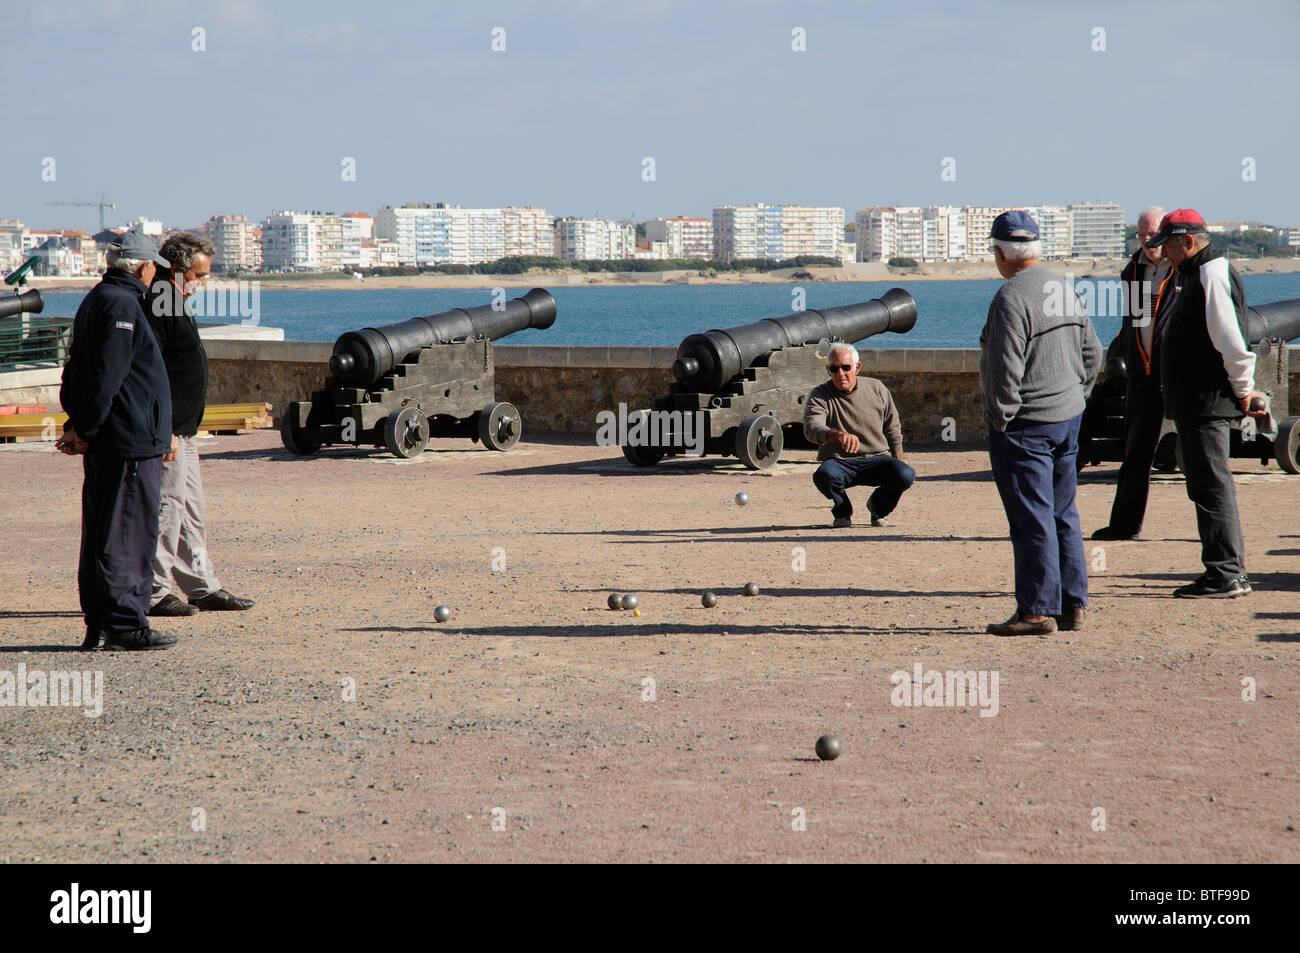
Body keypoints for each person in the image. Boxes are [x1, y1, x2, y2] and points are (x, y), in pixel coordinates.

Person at [980, 211, 1102, 636]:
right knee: (1062, 512)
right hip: (1067, 419)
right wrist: (1076, 397)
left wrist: (1000, 419)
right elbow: (1094, 354)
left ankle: (1035, 610)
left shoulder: (1011, 298)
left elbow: (1003, 372)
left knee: (1031, 517)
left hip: (1026, 426)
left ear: (1000, 253)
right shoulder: (1064, 289)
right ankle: (1072, 605)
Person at [56, 229, 179, 651]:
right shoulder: (123, 304)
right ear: (144, 267)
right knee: (127, 530)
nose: (154, 276)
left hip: (116, 436)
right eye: (153, 269)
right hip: (128, 440)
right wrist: (85, 428)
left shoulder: (99, 298)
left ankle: (102, 619)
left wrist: (80, 424)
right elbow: (107, 375)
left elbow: (78, 369)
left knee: (104, 528)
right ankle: (126, 623)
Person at [1146, 209, 1268, 598]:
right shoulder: (1193, 272)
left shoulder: (1210, 273)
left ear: (1188, 241)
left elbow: (1231, 340)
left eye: (1167, 245)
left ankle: (1226, 574)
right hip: (1195, 402)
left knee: (1212, 487)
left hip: (1206, 402)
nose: (1164, 254)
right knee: (1205, 486)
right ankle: (1222, 570)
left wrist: (1244, 388)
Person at [145, 232, 254, 616]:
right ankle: (154, 591)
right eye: (198, 274)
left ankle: (202, 586)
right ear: (176, 269)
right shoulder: (159, 301)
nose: (203, 283)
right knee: (167, 510)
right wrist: (165, 428)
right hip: (169, 429)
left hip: (185, 429)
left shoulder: (175, 299)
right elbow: (151, 370)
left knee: (191, 511)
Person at [1092, 206, 1176, 540]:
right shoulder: (1133, 271)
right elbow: (1134, 321)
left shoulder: (1183, 270)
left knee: (1201, 460)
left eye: (1151, 233)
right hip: (1142, 373)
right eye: (1141, 234)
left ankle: (1216, 538)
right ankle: (1124, 524)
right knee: (1136, 452)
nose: (1146, 240)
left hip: (1178, 374)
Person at [803, 342, 914, 528]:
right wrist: (836, 435)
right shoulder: (820, 395)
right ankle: (842, 512)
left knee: (905, 475)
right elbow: (812, 428)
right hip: (840, 462)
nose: (840, 373)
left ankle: (878, 508)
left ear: (857, 367)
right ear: (828, 370)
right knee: (824, 475)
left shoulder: (877, 388)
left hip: (876, 458)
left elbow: (892, 427)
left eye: (846, 367)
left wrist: (898, 459)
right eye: (834, 368)